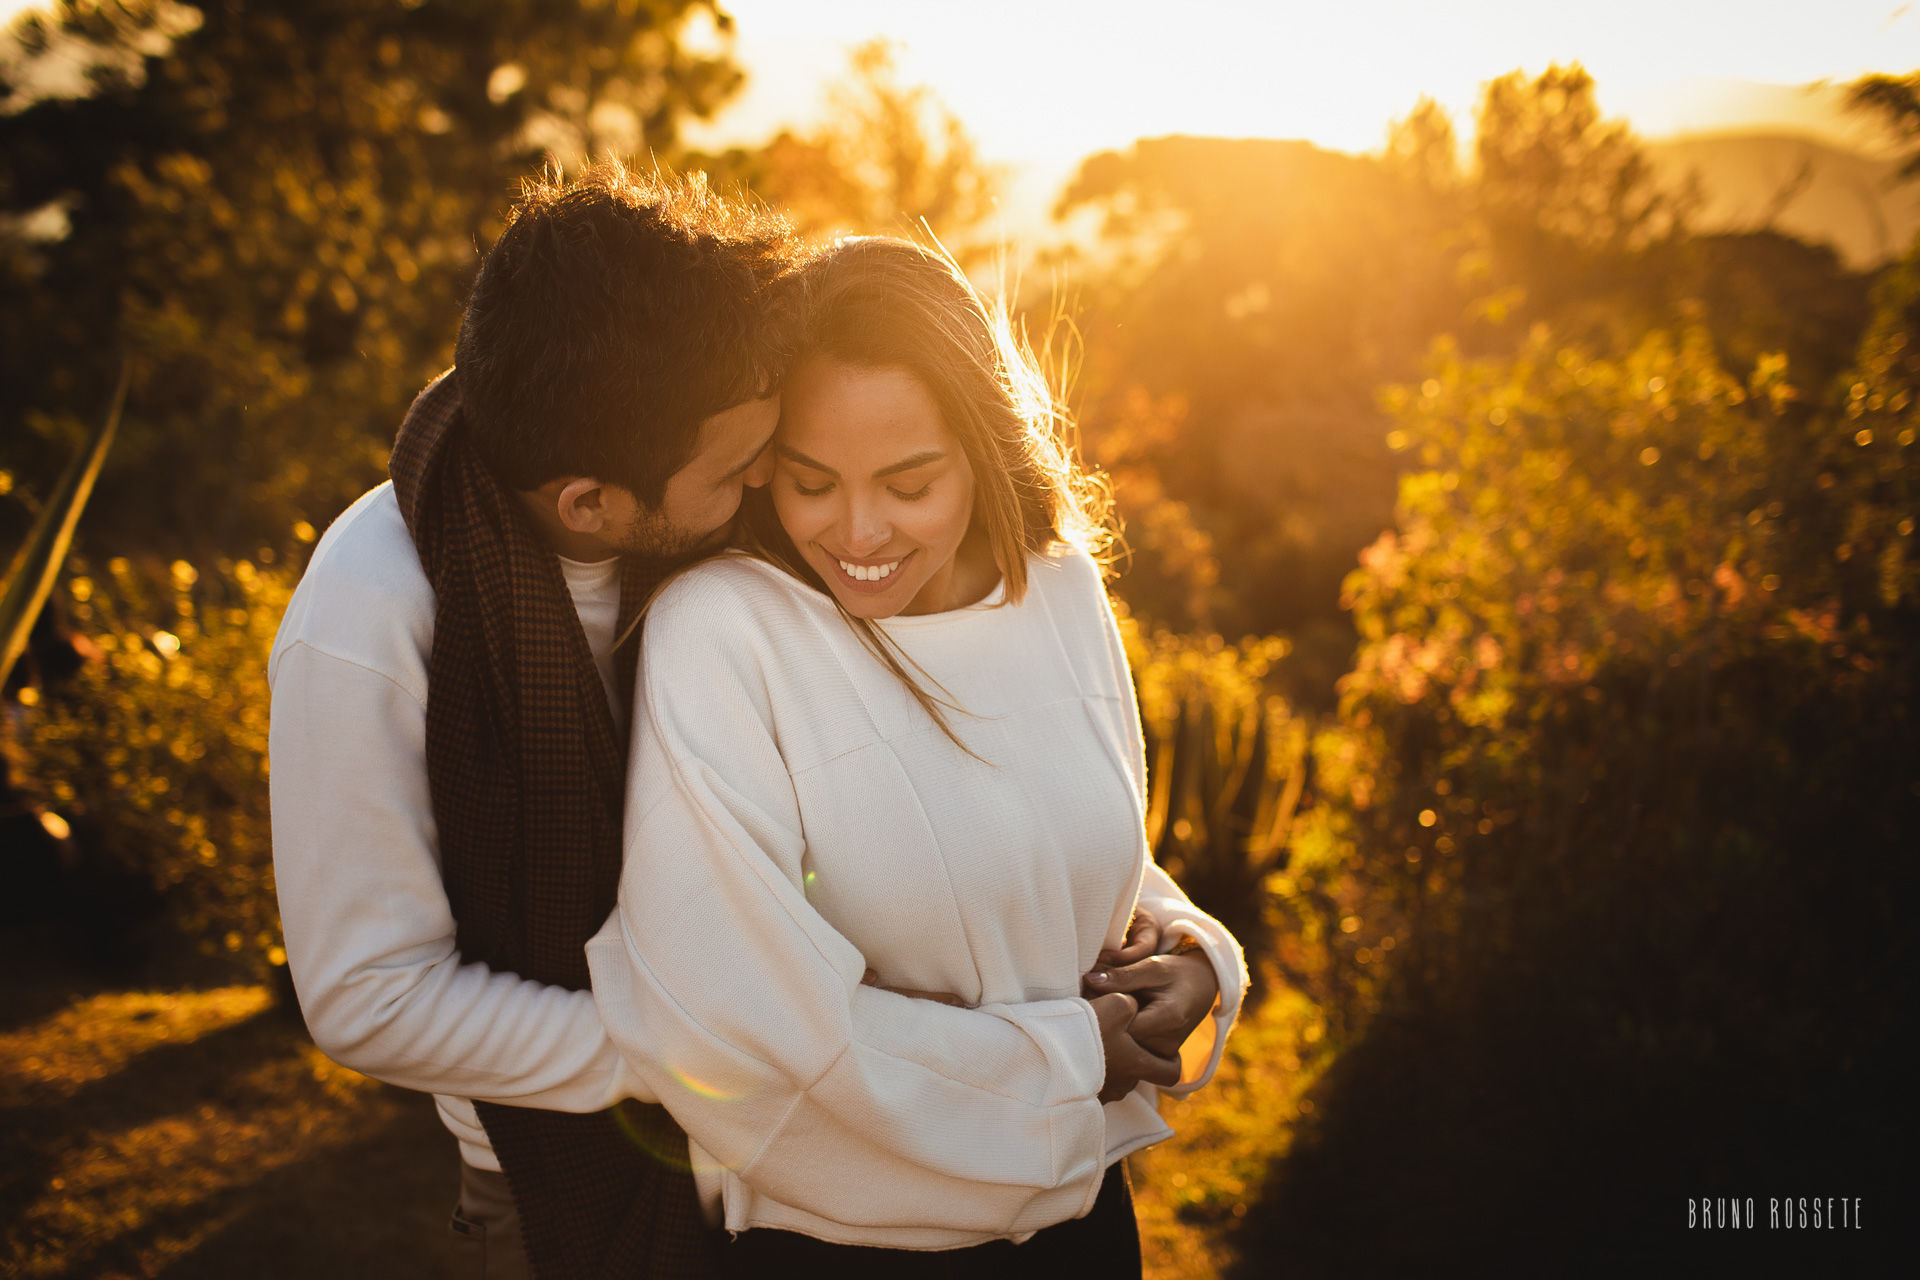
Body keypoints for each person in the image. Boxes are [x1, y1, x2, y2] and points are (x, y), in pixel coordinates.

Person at [585, 236, 1250, 1275]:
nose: (858, 532)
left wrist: (1192, 949)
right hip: (846, 1245)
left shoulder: (1056, 587)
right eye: (810, 481)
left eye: (909, 482)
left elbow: (1050, 835)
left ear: (982, 447)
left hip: (1083, 1229)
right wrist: (1067, 1057)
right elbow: (729, 1005)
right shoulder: (722, 633)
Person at [267, 164, 794, 1279]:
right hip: (562, 1189)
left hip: (809, 1164)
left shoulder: (721, 523)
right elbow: (369, 999)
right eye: (736, 471)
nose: (766, 492)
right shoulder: (372, 612)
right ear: (589, 503)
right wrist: (697, 1056)